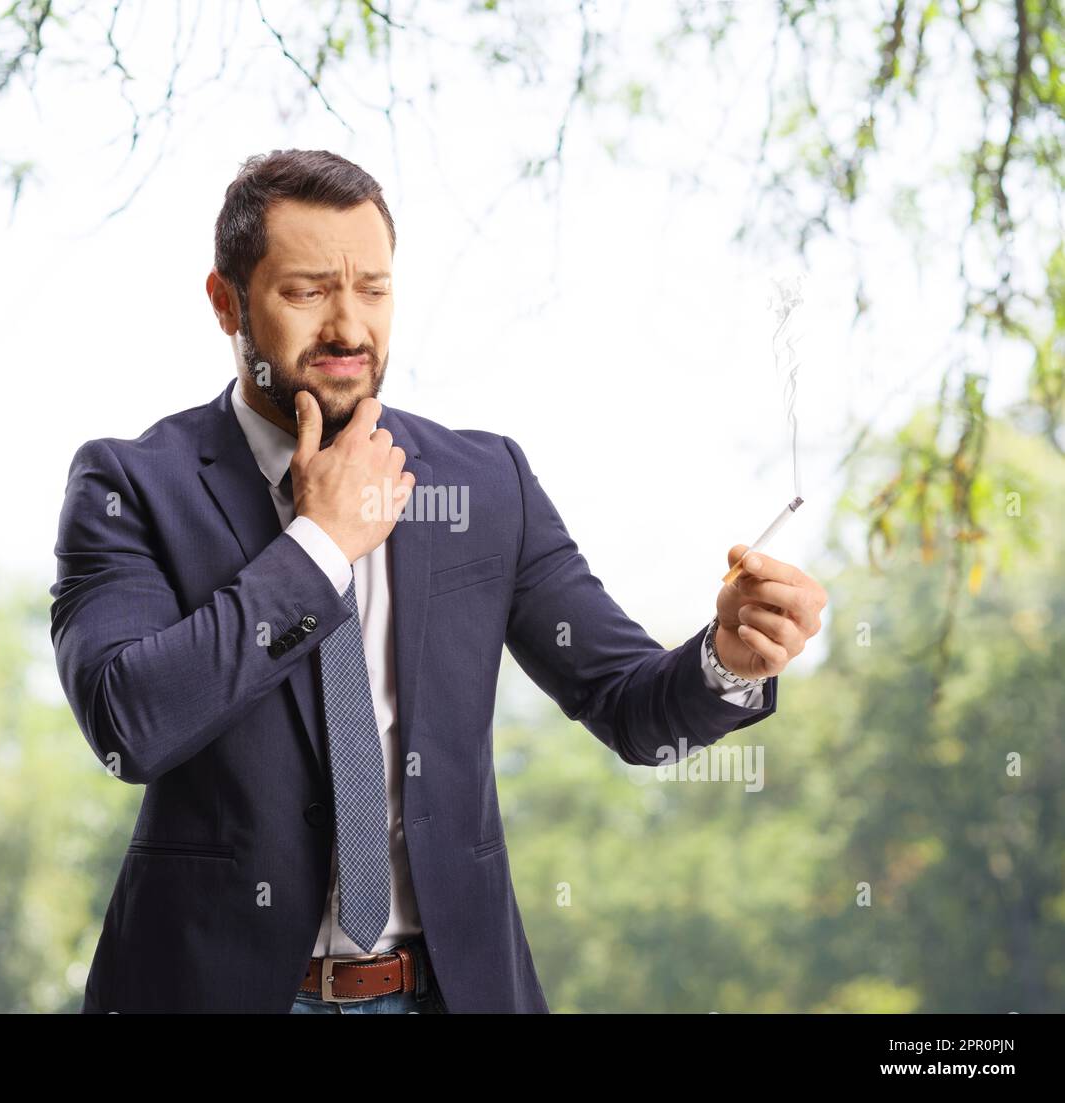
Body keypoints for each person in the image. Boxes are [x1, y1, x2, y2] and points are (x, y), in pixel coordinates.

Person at [48, 149, 827, 1014]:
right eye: (308, 291)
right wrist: (319, 546)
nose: (349, 326)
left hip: (449, 993)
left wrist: (730, 656)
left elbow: (633, 708)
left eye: (373, 290)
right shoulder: (130, 486)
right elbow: (129, 722)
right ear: (226, 302)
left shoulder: (486, 483)